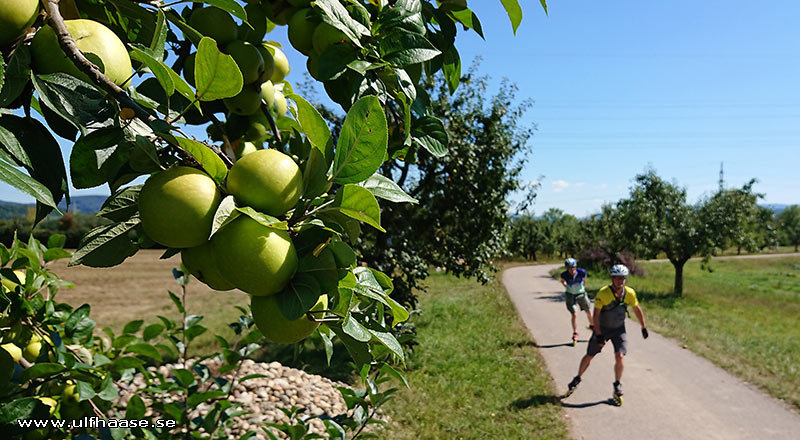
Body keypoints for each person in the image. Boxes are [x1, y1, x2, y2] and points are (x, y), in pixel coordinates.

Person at [563, 264, 649, 405]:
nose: (620, 281)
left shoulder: (629, 293)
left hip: (619, 329)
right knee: (590, 354)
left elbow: (637, 309)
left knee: (620, 356)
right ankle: (577, 378)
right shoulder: (603, 293)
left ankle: (617, 384)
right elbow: (596, 315)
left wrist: (643, 327)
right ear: (612, 278)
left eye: (622, 278)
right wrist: (598, 334)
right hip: (602, 328)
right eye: (617, 278)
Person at [560, 258, 592, 346]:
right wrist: (565, 285)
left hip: (581, 293)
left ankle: (592, 325)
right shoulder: (564, 275)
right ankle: (575, 333)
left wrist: (583, 288)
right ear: (567, 268)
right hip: (570, 294)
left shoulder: (581, 272)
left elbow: (584, 279)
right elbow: (562, 280)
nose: (572, 269)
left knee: (588, 311)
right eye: (570, 268)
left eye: (573, 267)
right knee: (574, 314)